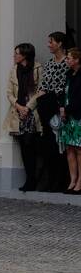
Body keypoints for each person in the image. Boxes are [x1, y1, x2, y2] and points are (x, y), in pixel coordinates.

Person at [1, 43, 43, 192]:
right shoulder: (14, 70)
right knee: (24, 149)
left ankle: (36, 179)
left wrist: (28, 107)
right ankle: (29, 179)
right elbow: (9, 92)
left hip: (32, 114)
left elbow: (40, 91)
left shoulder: (37, 69)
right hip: (17, 114)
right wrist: (19, 106)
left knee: (33, 146)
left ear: (24, 55)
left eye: (16, 53)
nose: (14, 56)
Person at [35, 32, 70, 192]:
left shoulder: (66, 63)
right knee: (48, 145)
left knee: (61, 145)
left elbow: (65, 86)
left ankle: (62, 181)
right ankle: (50, 180)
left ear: (60, 44)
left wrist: (52, 95)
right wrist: (42, 92)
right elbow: (43, 84)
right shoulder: (49, 63)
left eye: (51, 42)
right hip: (46, 108)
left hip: (59, 107)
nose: (48, 44)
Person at [59, 47, 81, 193]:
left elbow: (79, 98)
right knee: (69, 149)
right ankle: (72, 180)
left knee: (79, 149)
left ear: (77, 60)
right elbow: (63, 93)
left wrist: (67, 109)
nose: (66, 60)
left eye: (69, 58)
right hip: (67, 117)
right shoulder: (68, 74)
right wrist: (61, 107)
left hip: (78, 116)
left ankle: (80, 182)